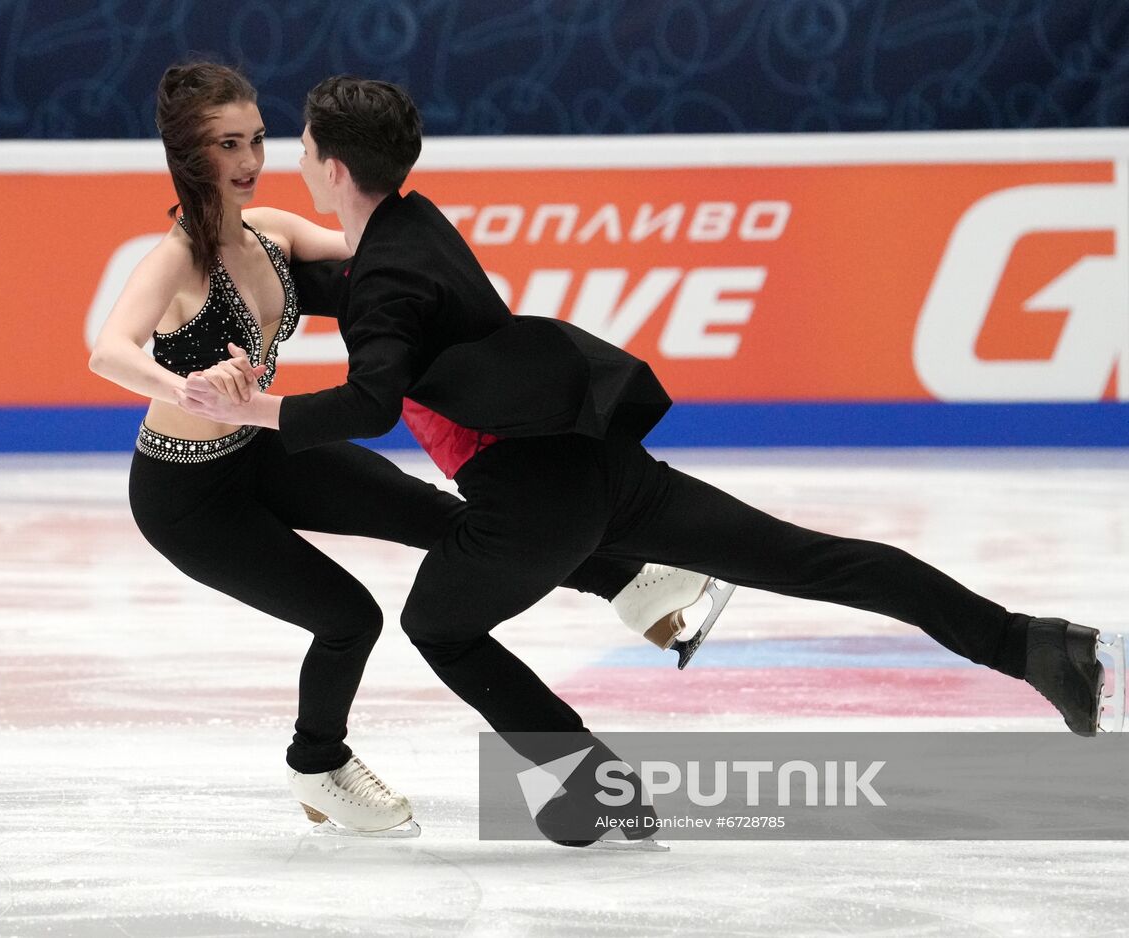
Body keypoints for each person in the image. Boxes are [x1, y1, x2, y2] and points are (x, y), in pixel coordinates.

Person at [177, 75, 1122, 843]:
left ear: (330, 165)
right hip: (602, 465)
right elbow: (367, 295)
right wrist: (235, 251)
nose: (287, 158)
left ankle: (593, 791)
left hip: (529, 499)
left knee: (440, 626)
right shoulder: (416, 229)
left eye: (295, 145)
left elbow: (373, 396)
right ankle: (1032, 646)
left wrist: (256, 408)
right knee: (807, 558)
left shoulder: (385, 273)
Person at [88, 61, 725, 837]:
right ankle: (317, 763)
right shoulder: (176, 259)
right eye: (229, 144)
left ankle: (630, 587)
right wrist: (183, 386)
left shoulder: (274, 233)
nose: (251, 160)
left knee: (439, 519)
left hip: (265, 450)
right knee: (350, 617)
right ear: (191, 153)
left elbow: (381, 249)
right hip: (186, 497)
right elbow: (107, 350)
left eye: (257, 138)